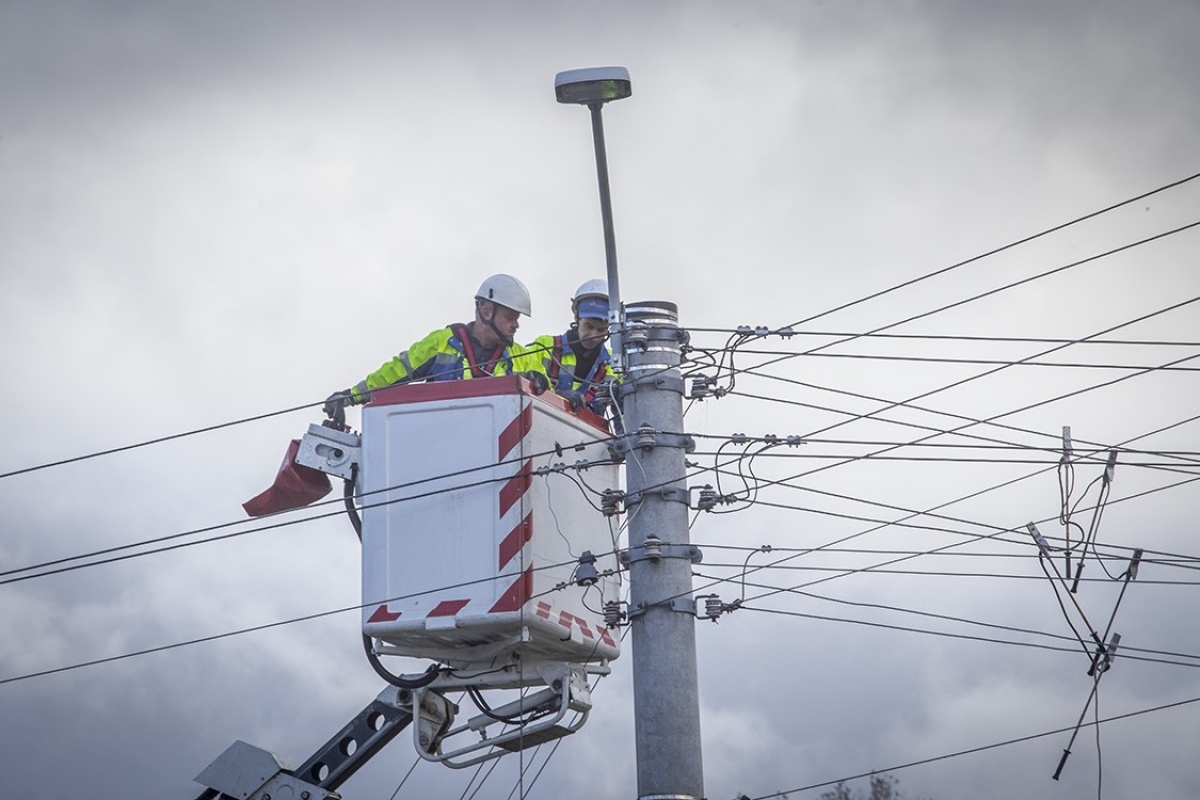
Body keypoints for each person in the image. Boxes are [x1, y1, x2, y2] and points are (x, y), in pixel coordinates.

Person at [323, 274, 549, 421]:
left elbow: (548, 395)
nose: (516, 325)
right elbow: (397, 371)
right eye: (510, 317)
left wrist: (540, 382)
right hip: (441, 443)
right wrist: (351, 396)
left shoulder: (523, 356)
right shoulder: (443, 342)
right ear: (486, 312)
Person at [527, 278, 616, 420]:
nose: (593, 336)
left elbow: (625, 412)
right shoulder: (544, 348)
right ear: (576, 317)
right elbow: (523, 390)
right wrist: (558, 397)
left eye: (601, 330)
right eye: (589, 326)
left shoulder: (613, 365)